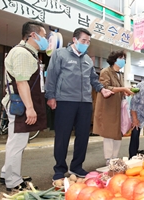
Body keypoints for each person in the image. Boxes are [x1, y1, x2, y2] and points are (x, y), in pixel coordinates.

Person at [45, 28, 114, 181]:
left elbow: (93, 79)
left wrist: (102, 90)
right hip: (65, 100)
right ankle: (59, 169)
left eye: (88, 42)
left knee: (83, 136)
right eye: (84, 41)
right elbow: (51, 76)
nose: (86, 44)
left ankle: (76, 166)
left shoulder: (88, 59)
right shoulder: (60, 54)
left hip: (85, 103)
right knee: (62, 136)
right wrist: (51, 96)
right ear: (74, 39)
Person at [0, 21, 48, 191]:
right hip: (19, 105)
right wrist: (30, 108)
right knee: (17, 143)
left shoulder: (26, 52)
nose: (46, 39)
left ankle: (7, 173)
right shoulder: (22, 53)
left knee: (14, 141)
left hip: (17, 103)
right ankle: (13, 181)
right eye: (43, 36)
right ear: (33, 35)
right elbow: (21, 83)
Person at [93, 50, 133, 165]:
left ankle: (115, 157)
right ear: (114, 59)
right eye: (121, 58)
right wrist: (123, 89)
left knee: (117, 133)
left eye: (124, 59)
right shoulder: (106, 71)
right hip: (108, 107)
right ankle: (108, 158)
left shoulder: (119, 74)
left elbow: (117, 89)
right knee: (109, 133)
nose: (123, 61)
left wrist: (124, 92)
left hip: (117, 108)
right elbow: (106, 87)